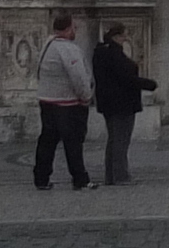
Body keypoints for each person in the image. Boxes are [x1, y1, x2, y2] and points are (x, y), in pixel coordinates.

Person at [32, 12, 94, 192]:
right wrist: (86, 96)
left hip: (46, 99)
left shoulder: (47, 45)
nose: (75, 30)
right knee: (73, 142)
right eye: (74, 27)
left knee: (47, 141)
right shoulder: (68, 49)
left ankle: (41, 178)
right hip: (66, 103)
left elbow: (38, 70)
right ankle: (80, 179)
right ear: (67, 29)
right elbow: (79, 77)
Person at [90, 22, 149, 185]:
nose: (125, 39)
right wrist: (147, 84)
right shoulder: (114, 54)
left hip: (109, 102)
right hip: (122, 103)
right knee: (121, 140)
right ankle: (120, 175)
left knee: (114, 139)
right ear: (116, 36)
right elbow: (126, 78)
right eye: (123, 36)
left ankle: (111, 175)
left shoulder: (101, 52)